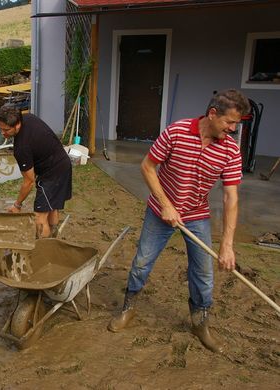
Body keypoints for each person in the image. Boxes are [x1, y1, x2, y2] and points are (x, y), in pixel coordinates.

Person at [107, 89, 250, 353]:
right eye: (230, 122)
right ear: (212, 114)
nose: (232, 129)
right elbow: (147, 167)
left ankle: (200, 322)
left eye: (236, 124)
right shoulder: (177, 132)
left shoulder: (230, 150)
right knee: (142, 262)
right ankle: (129, 308)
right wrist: (166, 205)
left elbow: (231, 198)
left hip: (197, 215)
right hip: (160, 211)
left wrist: (227, 244)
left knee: (204, 273)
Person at [0, 105, 72, 238]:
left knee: (40, 217)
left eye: (6, 129)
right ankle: (53, 239)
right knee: (52, 207)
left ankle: (42, 249)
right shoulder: (28, 118)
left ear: (17, 124)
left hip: (52, 174)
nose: (2, 133)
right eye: (0, 128)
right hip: (63, 163)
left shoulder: (22, 148)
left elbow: (29, 181)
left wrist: (17, 205)